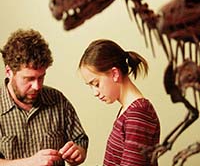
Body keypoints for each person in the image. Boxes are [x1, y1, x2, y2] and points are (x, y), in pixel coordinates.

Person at [0, 29, 89, 166]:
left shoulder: (58, 100)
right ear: (9, 72)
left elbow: (80, 141)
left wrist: (78, 153)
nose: (36, 86)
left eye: (41, 77)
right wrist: (29, 163)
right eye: (28, 79)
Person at [78, 39, 160, 166]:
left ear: (115, 73)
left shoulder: (137, 114)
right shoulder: (128, 111)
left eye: (96, 84)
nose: (95, 92)